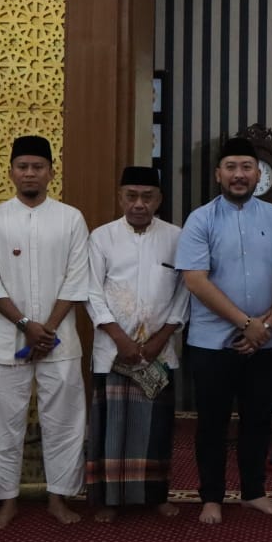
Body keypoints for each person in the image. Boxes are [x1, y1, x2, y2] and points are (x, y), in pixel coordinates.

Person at [0, 135, 93, 530]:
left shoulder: (71, 218)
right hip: (7, 340)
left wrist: (48, 330)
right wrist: (26, 325)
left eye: (37, 167)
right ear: (11, 172)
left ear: (50, 173)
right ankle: (7, 502)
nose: (29, 173)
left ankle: (59, 498)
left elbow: (77, 279)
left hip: (60, 341)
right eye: (22, 166)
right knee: (2, 424)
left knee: (65, 421)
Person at [176, 135, 272, 525]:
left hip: (268, 340)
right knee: (211, 421)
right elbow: (195, 280)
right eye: (231, 168)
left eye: (246, 167)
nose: (239, 175)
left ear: (258, 174)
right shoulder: (200, 219)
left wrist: (267, 324)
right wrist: (247, 324)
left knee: (259, 418)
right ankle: (212, 496)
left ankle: (253, 492)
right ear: (218, 174)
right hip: (212, 343)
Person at [85, 166, 189, 521]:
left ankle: (156, 496)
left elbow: (184, 291)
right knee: (111, 428)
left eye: (147, 197)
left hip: (159, 349)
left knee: (156, 429)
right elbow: (91, 291)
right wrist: (117, 336)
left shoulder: (177, 237)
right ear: (121, 197)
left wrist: (162, 338)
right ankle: (110, 501)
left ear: (159, 199)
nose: (139, 204)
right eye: (132, 196)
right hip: (114, 350)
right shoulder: (102, 237)